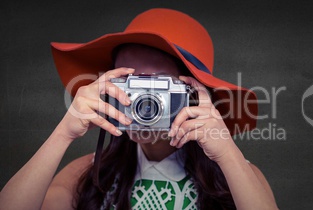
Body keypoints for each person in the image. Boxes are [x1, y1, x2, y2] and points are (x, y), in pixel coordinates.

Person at [0, 8, 278, 210]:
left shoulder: (236, 175)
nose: (143, 103)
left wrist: (227, 153)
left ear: (193, 95)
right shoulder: (92, 172)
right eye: (130, 84)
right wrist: (63, 134)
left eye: (157, 89)